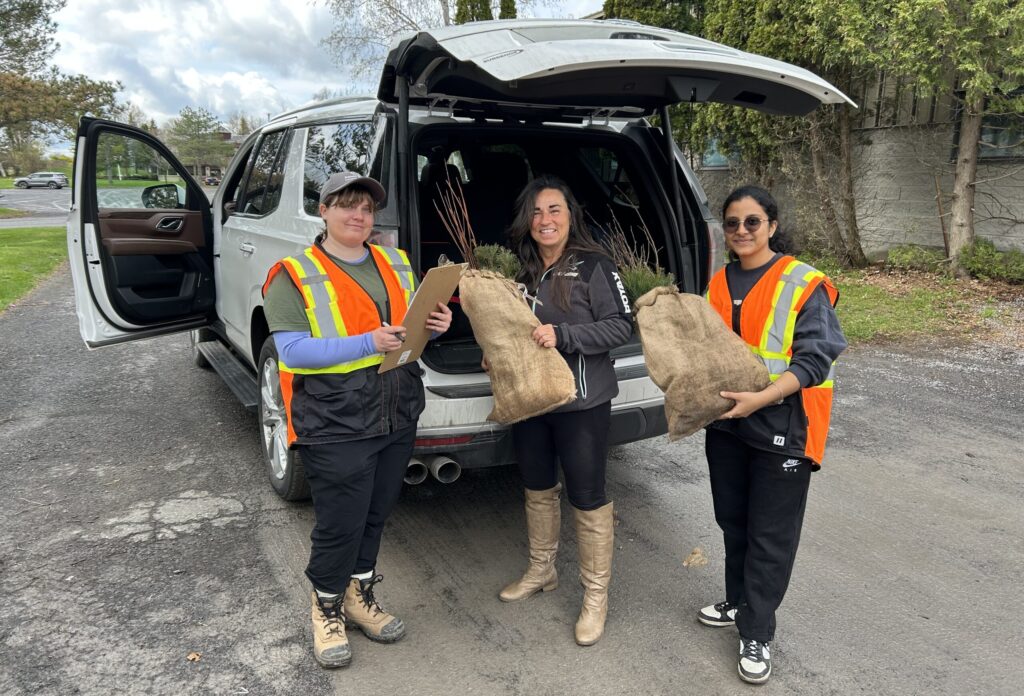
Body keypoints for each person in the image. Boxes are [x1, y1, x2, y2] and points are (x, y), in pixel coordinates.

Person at [261, 171, 452, 669]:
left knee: (375, 512)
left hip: (396, 412)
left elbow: (410, 329)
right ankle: (325, 607)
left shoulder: (395, 260)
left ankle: (358, 594)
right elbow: (293, 351)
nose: (358, 216)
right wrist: (369, 343)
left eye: (366, 209)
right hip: (335, 419)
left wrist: (437, 323)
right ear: (322, 210)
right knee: (339, 522)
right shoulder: (293, 273)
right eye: (346, 206)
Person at [699, 185, 847, 685]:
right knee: (733, 522)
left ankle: (757, 630)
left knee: (770, 536)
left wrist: (760, 399)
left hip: (784, 425)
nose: (742, 231)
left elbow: (814, 357)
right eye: (733, 223)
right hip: (727, 425)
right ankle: (739, 601)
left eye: (752, 222)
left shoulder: (803, 283)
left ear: (772, 226)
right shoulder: (717, 283)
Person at [495, 174, 633, 646]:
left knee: (588, 495)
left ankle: (596, 598)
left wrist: (565, 336)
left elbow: (621, 327)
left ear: (571, 215)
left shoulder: (595, 265)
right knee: (536, 485)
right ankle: (542, 571)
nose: (544, 220)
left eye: (554, 209)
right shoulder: (522, 269)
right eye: (535, 212)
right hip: (532, 397)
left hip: (582, 400)